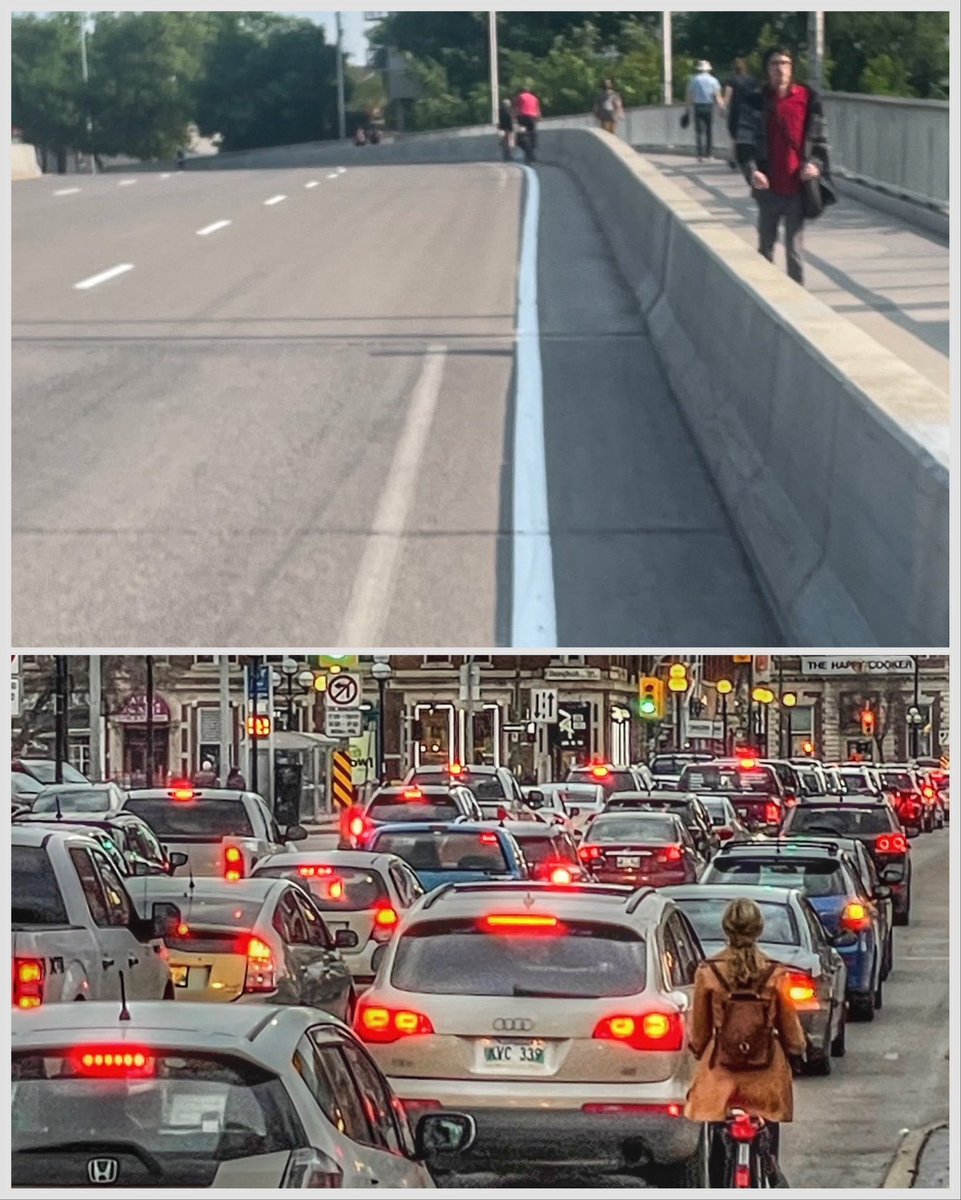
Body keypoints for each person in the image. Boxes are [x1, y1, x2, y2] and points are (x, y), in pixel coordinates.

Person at [684, 898, 807, 1182]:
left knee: (716, 1133)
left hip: (722, 1076)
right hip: (765, 1075)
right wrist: (797, 1050)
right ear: (759, 929)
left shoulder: (709, 971)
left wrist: (698, 1049)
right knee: (768, 1127)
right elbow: (790, 1030)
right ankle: (768, 1171)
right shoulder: (775, 973)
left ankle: (719, 1182)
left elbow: (700, 1034)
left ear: (727, 929)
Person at [736, 45, 830, 286]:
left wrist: (815, 166)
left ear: (792, 68)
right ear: (767, 69)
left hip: (797, 187)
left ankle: (797, 302)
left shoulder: (808, 98)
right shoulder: (755, 100)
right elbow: (744, 142)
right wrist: (752, 171)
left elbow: (820, 141)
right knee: (765, 248)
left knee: (794, 251)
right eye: (774, 64)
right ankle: (766, 298)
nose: (780, 68)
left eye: (784, 63)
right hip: (768, 187)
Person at [685, 60, 724, 161]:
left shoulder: (694, 80)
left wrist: (687, 108)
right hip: (709, 106)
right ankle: (709, 154)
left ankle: (699, 154)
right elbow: (717, 96)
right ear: (708, 70)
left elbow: (690, 95)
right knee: (709, 131)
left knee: (699, 131)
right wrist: (722, 107)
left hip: (698, 106)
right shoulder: (713, 80)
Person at [722, 57, 756, 169]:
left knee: (734, 136)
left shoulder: (731, 80)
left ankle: (732, 158)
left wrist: (723, 107)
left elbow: (727, 95)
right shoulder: (751, 80)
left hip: (735, 111)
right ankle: (749, 159)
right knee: (749, 134)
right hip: (749, 110)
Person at [514, 84, 542, 162]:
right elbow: (538, 111)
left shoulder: (520, 97)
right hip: (532, 118)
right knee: (533, 134)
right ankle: (532, 151)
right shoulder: (535, 98)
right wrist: (538, 118)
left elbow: (517, 108)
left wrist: (514, 118)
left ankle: (524, 146)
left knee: (521, 134)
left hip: (523, 118)